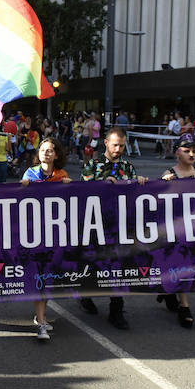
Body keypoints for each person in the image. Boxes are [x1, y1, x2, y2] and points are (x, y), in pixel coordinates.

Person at [80, 126, 148, 329]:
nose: (118, 149)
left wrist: (140, 183)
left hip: (121, 226)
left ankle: (116, 309)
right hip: (96, 225)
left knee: (119, 266)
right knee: (93, 264)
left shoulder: (128, 166)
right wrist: (102, 183)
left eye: (122, 145)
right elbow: (82, 191)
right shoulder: (92, 165)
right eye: (115, 144)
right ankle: (85, 295)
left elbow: (134, 193)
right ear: (106, 143)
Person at [21, 137, 71, 340]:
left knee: (50, 275)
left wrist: (69, 186)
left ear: (56, 155)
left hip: (56, 233)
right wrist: (23, 187)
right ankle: (41, 322)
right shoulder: (30, 173)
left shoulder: (62, 175)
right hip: (35, 233)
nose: (46, 153)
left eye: (50, 150)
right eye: (43, 149)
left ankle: (40, 316)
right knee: (39, 274)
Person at [159, 135, 195, 328]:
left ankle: (168, 291)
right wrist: (164, 184)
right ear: (177, 152)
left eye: (194, 150)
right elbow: (158, 202)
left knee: (188, 266)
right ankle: (184, 306)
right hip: (175, 230)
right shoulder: (170, 173)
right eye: (187, 150)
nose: (191, 154)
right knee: (181, 265)